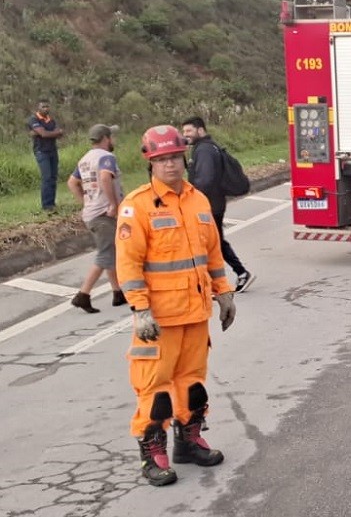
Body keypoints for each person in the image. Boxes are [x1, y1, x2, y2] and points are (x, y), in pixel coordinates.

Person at [116, 125, 237, 487]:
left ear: (184, 157)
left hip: (196, 313)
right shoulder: (136, 206)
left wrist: (224, 292)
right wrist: (140, 309)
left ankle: (189, 442)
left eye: (174, 157)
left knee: (192, 384)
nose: (170, 165)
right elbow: (128, 263)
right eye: (162, 159)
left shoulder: (198, 200)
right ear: (150, 162)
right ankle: (153, 454)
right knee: (155, 390)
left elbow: (212, 253)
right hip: (159, 318)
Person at [180, 116, 254, 293]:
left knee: (210, 243)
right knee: (215, 242)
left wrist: (190, 199)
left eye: (189, 131)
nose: (185, 135)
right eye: (183, 132)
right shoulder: (205, 147)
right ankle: (238, 273)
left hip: (209, 205)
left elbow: (205, 180)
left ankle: (227, 278)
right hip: (213, 203)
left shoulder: (204, 150)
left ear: (200, 130)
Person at [66, 124, 127, 313]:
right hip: (103, 214)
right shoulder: (106, 157)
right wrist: (113, 204)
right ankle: (83, 295)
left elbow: (72, 182)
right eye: (111, 137)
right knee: (105, 254)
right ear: (106, 138)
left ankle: (117, 292)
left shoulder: (85, 159)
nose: (113, 140)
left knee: (109, 250)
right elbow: (105, 178)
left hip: (92, 213)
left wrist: (85, 202)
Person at [28, 100, 64, 212]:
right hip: (41, 151)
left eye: (47, 106)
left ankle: (52, 203)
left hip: (53, 150)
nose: (46, 108)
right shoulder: (33, 119)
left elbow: (59, 134)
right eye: (43, 106)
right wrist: (52, 133)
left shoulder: (51, 120)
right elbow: (43, 133)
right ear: (38, 108)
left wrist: (45, 133)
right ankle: (46, 205)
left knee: (53, 177)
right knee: (47, 177)